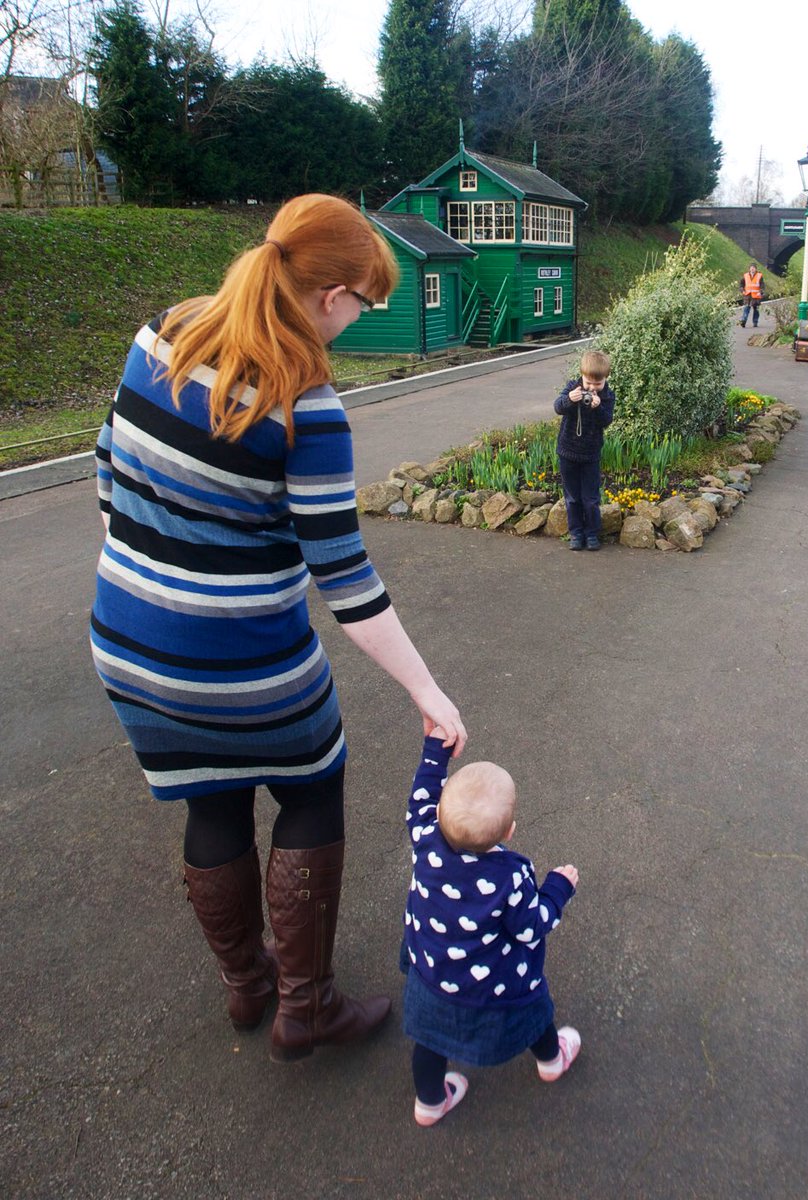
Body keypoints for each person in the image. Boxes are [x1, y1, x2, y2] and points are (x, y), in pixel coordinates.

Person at [90, 194, 467, 1063]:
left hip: (127, 645)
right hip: (246, 660)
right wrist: (427, 690)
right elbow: (346, 582)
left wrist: (150, 575)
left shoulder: (165, 335)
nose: (359, 321)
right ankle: (307, 1006)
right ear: (331, 295)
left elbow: (109, 471)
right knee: (308, 786)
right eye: (364, 304)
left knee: (209, 796)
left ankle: (246, 986)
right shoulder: (307, 406)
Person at [400, 729, 580, 1126]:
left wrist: (435, 752)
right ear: (509, 832)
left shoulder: (426, 837)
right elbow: (531, 927)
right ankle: (551, 1060)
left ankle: (430, 1103)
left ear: (439, 810)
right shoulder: (509, 877)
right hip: (492, 983)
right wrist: (556, 889)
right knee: (532, 1014)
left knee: (428, 1039)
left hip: (432, 970)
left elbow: (421, 796)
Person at [553, 349, 616, 551]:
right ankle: (576, 533)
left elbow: (606, 421)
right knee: (572, 498)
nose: (592, 388)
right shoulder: (573, 388)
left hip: (590, 455)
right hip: (567, 452)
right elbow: (558, 407)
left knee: (590, 498)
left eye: (598, 384)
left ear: (606, 379)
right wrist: (570, 399)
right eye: (588, 383)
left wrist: (598, 407)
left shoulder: (607, 396)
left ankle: (591, 534)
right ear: (581, 376)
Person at [739, 261, 764, 327]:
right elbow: (741, 284)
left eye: (753, 268)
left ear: (756, 269)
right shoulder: (745, 275)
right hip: (748, 295)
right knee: (746, 308)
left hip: (756, 295)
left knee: (756, 309)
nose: (752, 269)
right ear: (749, 269)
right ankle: (743, 320)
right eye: (751, 268)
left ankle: (755, 322)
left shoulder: (759, 276)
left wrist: (761, 291)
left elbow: (762, 285)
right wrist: (742, 290)